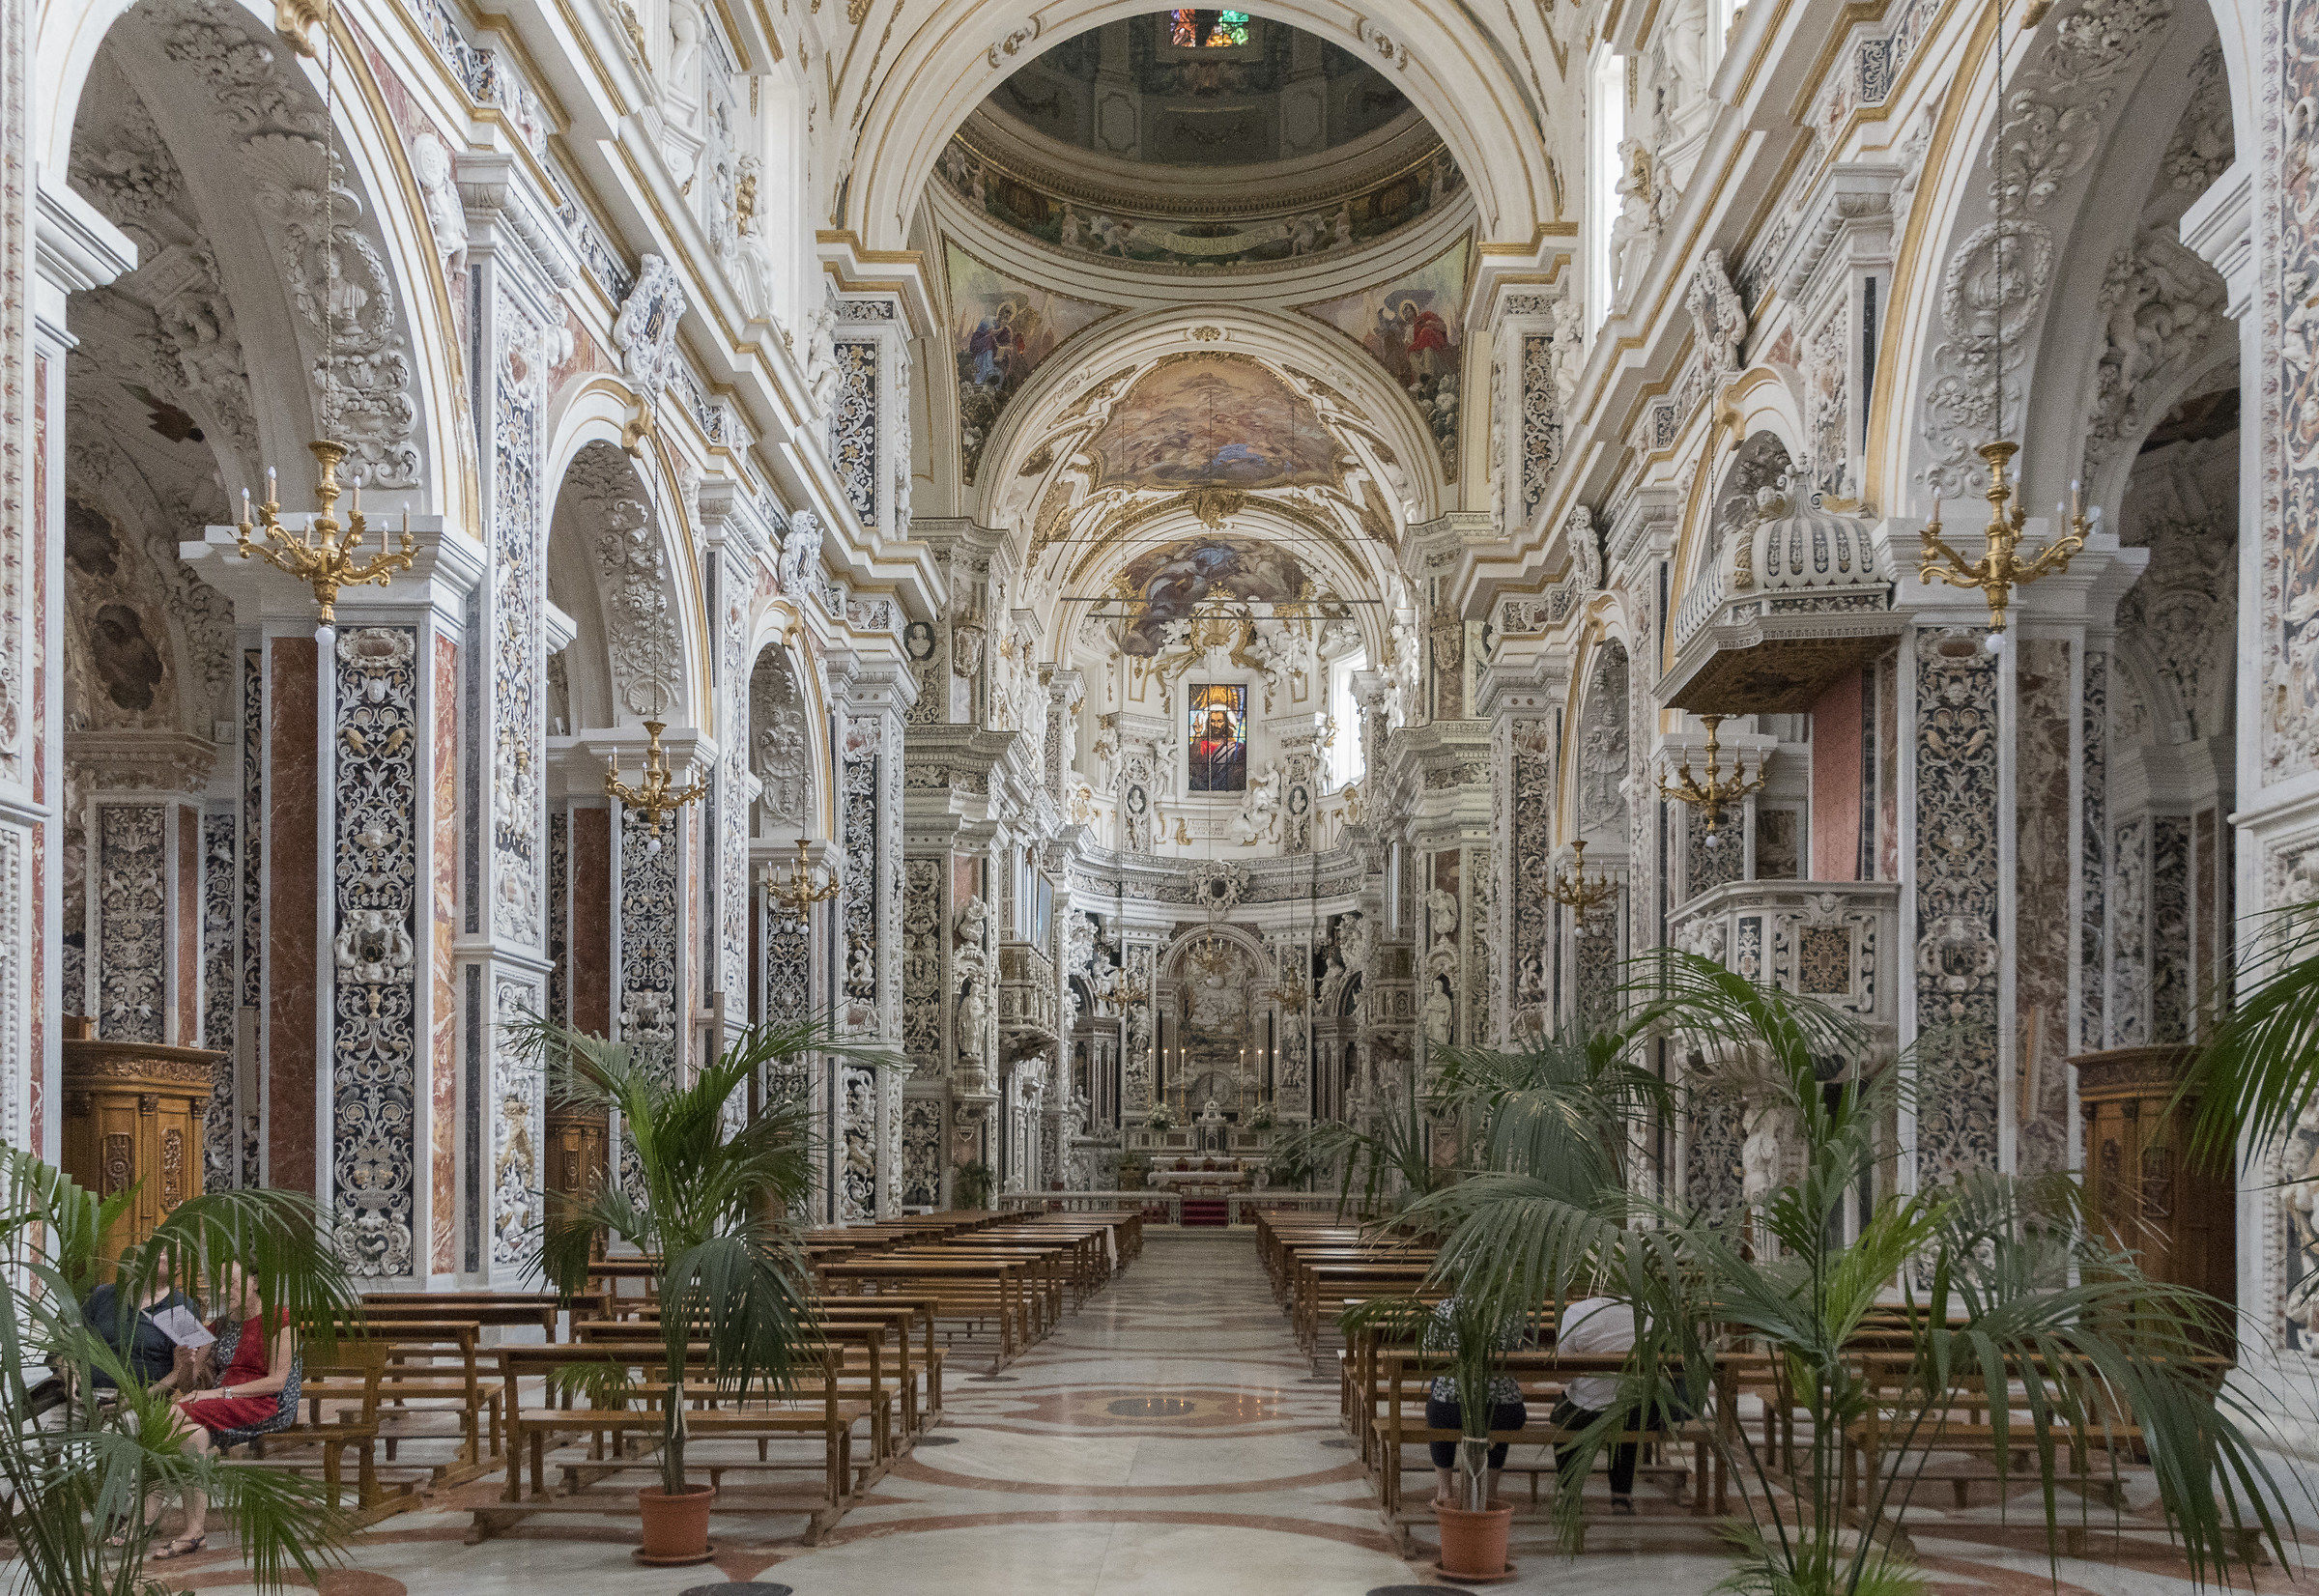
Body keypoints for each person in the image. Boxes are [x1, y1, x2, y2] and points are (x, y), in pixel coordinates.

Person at [143, 1265, 301, 1561]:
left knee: (174, 1414)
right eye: (221, 1283)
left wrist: (218, 1392)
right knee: (192, 1433)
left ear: (255, 1282)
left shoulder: (279, 1318)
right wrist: (186, 1363)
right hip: (222, 1403)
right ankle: (194, 1533)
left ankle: (149, 1511)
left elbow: (278, 1380)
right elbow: (189, 1383)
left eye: (232, 1283)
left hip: (265, 1402)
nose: (223, 1290)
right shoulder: (218, 1326)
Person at [1550, 1292, 1668, 1515]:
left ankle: (1569, 1491)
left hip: (1584, 1409)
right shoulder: (1649, 1311)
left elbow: (1562, 1374)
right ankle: (1621, 1496)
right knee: (1628, 1415)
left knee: (1561, 1420)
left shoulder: (1578, 1311)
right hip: (1632, 1409)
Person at [1424, 1297, 1529, 1509]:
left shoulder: (1447, 1307)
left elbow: (1428, 1348)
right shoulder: (1510, 1308)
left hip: (1451, 1406)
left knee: (1439, 1409)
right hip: (1502, 1407)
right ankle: (1489, 1491)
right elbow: (1520, 1354)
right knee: (1500, 1410)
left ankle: (1445, 1490)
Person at [82, 1257, 200, 1396]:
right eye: (145, 1245)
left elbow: (179, 1376)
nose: (145, 1252)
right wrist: (69, 1377)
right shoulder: (103, 1295)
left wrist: (133, 1401)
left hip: (141, 1401)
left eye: (161, 1251)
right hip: (84, 1394)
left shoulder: (182, 1307)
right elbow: (70, 1343)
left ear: (177, 1267)